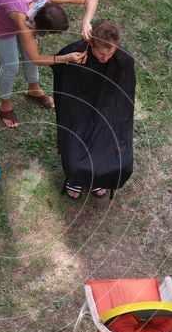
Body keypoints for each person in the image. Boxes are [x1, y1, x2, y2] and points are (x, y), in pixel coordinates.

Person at [0, 0, 98, 128]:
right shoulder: (21, 18)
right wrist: (66, 58)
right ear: (37, 25)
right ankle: (5, 105)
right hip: (0, 24)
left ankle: (34, 89)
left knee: (29, 53)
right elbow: (36, 59)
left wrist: (86, 22)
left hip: (21, 15)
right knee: (11, 67)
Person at [51, 20, 135, 200]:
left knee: (117, 157)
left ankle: (100, 178)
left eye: (110, 53)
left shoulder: (123, 61)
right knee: (75, 152)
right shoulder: (74, 54)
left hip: (107, 107)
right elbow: (63, 81)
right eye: (101, 53)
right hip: (78, 105)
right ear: (91, 44)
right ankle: (75, 179)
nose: (105, 58)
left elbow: (125, 93)